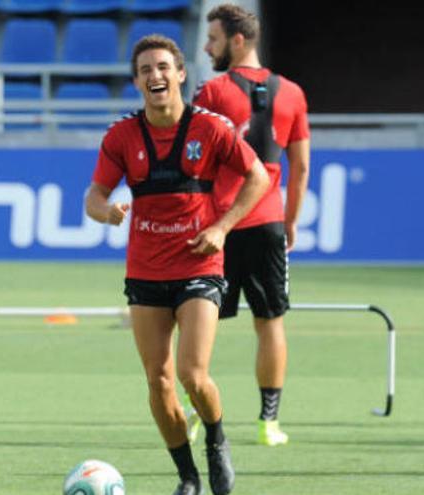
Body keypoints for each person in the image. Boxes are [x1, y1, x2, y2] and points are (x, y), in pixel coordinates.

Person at [85, 35, 269, 495]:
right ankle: (187, 476)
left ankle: (217, 440)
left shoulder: (209, 127)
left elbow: (258, 177)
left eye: (163, 67)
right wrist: (105, 211)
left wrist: (223, 228)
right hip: (145, 272)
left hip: (199, 268)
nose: (156, 76)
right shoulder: (122, 136)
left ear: (181, 74)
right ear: (137, 81)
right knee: (158, 380)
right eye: (146, 69)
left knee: (192, 373)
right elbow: (94, 195)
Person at [185, 3, 311, 446]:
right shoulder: (292, 93)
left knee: (202, 321)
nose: (207, 46)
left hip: (218, 225)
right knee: (270, 322)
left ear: (237, 40)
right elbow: (301, 166)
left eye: (213, 39)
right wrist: (290, 220)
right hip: (267, 223)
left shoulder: (211, 92)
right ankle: (269, 424)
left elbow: (193, 161)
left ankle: (197, 415)